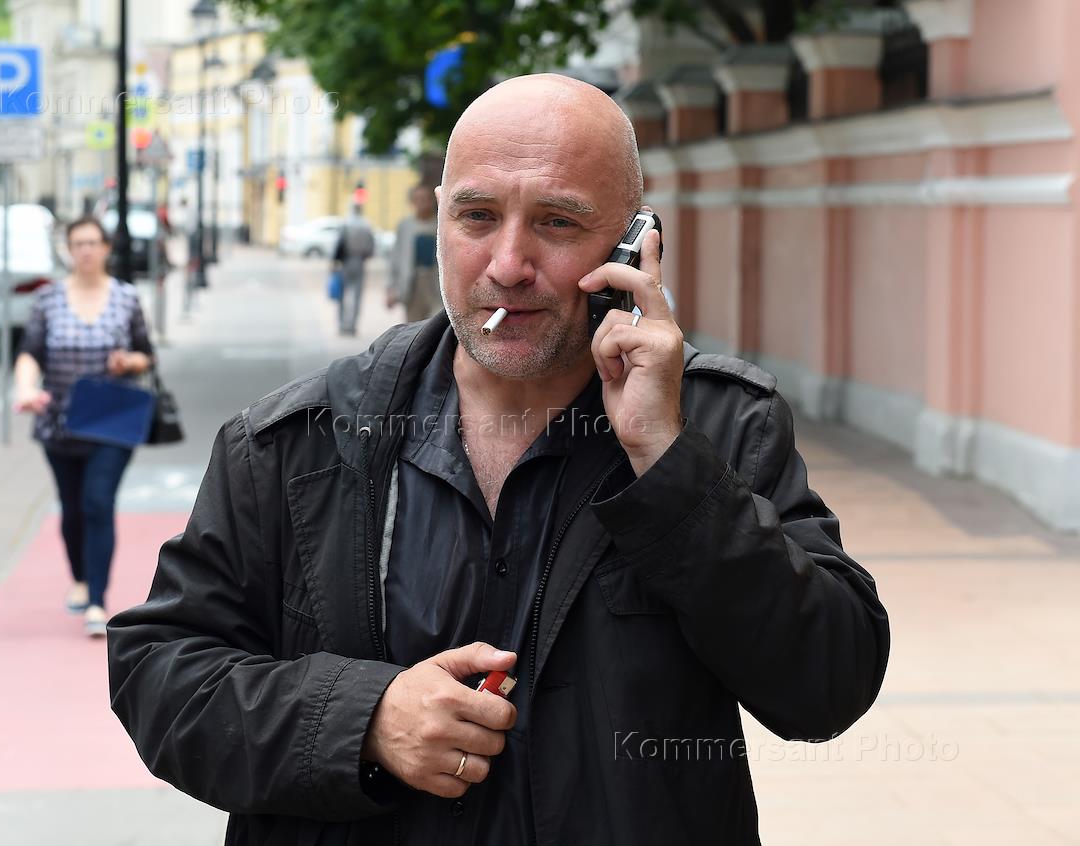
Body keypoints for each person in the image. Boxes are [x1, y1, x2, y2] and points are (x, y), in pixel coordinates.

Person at [108, 74, 889, 844]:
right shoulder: (295, 440)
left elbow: (826, 687)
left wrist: (669, 462)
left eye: (557, 222)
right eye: (477, 216)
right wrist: (363, 719)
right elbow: (160, 675)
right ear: (440, 217)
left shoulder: (721, 426)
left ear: (635, 244)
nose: (508, 264)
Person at [14, 216, 154, 637]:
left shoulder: (126, 298)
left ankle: (96, 600)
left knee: (97, 502)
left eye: (93, 242)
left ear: (106, 248)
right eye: (78, 243)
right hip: (60, 422)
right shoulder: (48, 299)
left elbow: (146, 353)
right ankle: (78, 577)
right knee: (72, 508)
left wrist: (128, 361)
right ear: (69, 250)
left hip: (112, 420)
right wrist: (26, 389)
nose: (86, 250)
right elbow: (30, 352)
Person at [388, 183, 441, 321]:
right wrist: (391, 288)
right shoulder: (405, 225)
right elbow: (396, 257)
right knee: (413, 324)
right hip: (412, 282)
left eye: (425, 198)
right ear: (412, 201)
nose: (422, 203)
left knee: (435, 320)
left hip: (434, 282)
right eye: (418, 199)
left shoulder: (440, 224)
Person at [333, 204, 376, 335]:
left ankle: (342, 323)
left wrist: (334, 261)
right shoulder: (366, 224)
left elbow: (339, 243)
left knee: (342, 294)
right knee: (357, 295)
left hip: (346, 261)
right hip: (360, 261)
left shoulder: (346, 223)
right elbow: (371, 245)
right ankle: (352, 325)